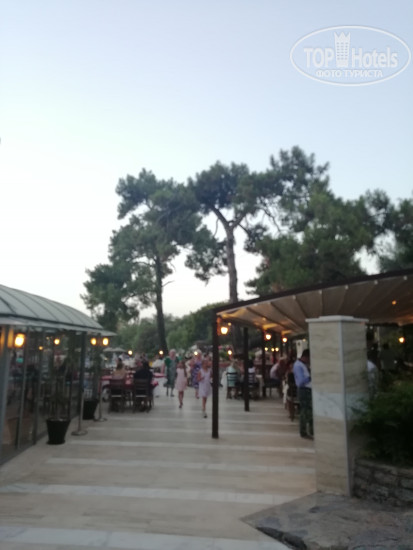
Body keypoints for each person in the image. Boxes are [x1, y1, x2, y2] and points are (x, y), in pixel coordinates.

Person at [293, 349, 313, 439]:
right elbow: (301, 381)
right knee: (305, 411)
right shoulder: (298, 366)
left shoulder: (303, 365)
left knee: (308, 410)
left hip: (307, 389)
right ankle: (303, 431)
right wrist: (310, 378)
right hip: (304, 390)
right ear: (306, 357)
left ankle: (310, 430)